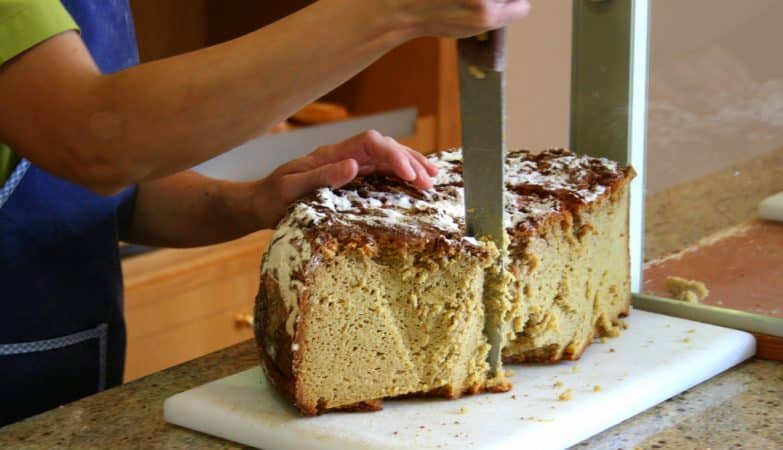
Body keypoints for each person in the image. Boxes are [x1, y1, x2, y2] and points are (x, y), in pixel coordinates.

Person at [0, 0, 530, 425]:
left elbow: (107, 192)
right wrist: (390, 10)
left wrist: (258, 198)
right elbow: (93, 142)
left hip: (65, 406)